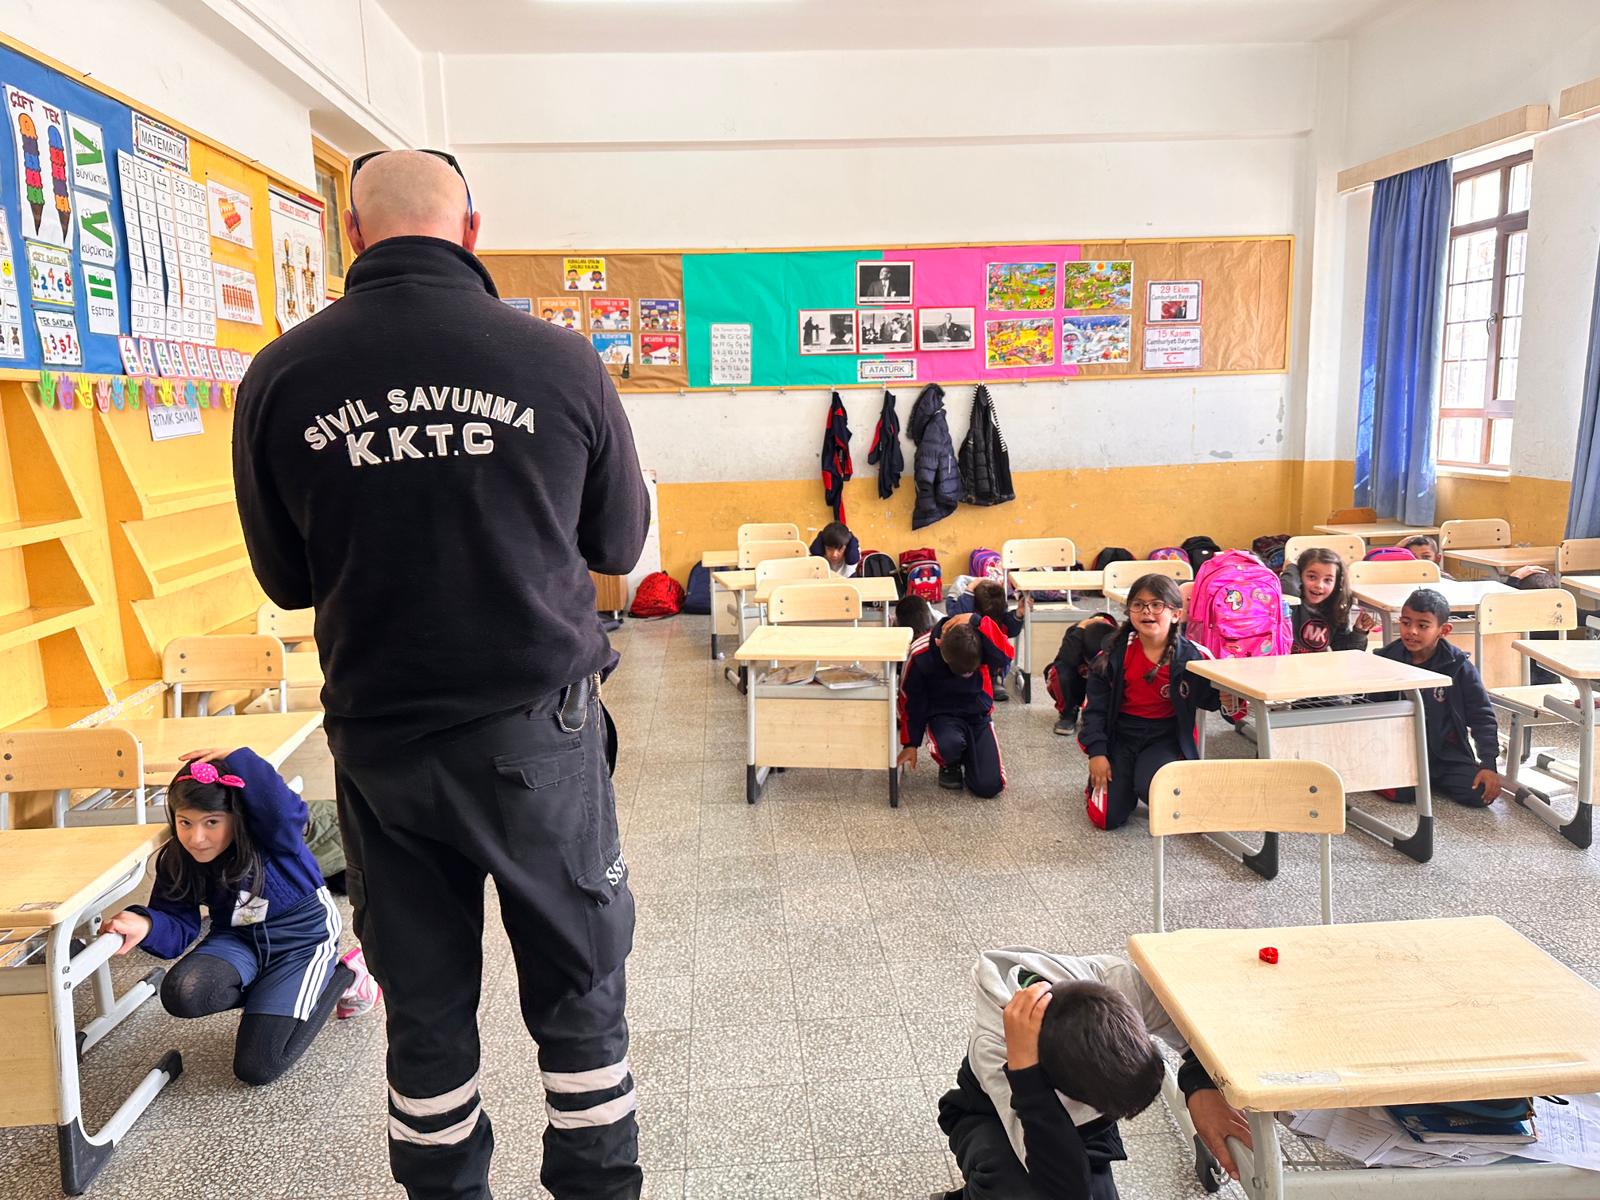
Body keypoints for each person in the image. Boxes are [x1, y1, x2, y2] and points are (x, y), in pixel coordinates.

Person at [233, 150, 650, 1200]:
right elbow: (618, 544)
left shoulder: (280, 375)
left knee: (422, 1007)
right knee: (579, 988)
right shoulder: (559, 361)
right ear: (472, 229)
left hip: (383, 745)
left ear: (351, 233)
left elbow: (284, 580)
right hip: (535, 737)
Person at [100, 750, 358, 1087]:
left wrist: (238, 756)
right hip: (238, 938)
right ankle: (274, 995)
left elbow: (283, 810)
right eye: (185, 822)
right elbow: (177, 925)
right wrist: (147, 924)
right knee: (181, 992)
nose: (196, 838)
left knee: (258, 1066)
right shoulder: (178, 859)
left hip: (302, 941)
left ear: (236, 817)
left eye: (212, 822)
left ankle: (346, 974)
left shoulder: (273, 835)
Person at [934, 948, 1251, 1200]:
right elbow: (1063, 1188)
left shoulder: (1116, 981)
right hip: (993, 1112)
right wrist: (1026, 1073)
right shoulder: (996, 1049)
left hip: (1080, 1121)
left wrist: (1199, 1084)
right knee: (1027, 1193)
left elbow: (1195, 1030)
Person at [1080, 575, 1220, 830]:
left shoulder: (1193, 657)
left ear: (1176, 614)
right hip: (1121, 736)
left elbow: (1210, 700)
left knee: (1156, 793)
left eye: (1157, 605)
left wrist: (1228, 695)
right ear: (1129, 611)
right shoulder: (1112, 655)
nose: (1147, 611)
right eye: (1138, 604)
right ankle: (1118, 783)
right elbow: (1094, 709)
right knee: (1106, 819)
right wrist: (1097, 752)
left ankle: (1143, 777)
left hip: (1165, 737)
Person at [1374, 589, 1504, 807]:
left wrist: (1488, 764)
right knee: (1403, 795)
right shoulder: (1385, 660)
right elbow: (1372, 715)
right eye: (1405, 623)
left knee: (1479, 793)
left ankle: (1429, 779)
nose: (1411, 631)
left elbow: (1482, 715)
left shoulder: (1459, 666)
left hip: (1447, 755)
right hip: (1402, 752)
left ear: (1443, 630)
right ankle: (1418, 780)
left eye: (1423, 626)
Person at [898, 614, 1014, 797]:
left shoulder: (980, 637)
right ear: (940, 648)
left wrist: (978, 620)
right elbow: (911, 700)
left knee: (989, 786)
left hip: (977, 714)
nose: (967, 675)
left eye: (971, 671)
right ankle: (950, 763)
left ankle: (971, 755)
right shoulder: (921, 652)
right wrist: (910, 743)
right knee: (948, 744)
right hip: (942, 715)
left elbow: (1006, 656)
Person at [1290, 547, 1378, 653]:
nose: (1319, 585)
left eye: (1328, 580)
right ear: (1299, 576)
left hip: (1319, 662)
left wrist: (1359, 631)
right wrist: (1291, 567)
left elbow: (1345, 651)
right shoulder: (1288, 604)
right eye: (1312, 577)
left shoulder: (1336, 608)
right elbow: (1287, 588)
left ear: (1336, 583)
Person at [1045, 613, 1119, 737]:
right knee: (1060, 670)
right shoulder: (1076, 633)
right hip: (1077, 681)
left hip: (1101, 685)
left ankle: (1098, 713)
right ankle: (1068, 712)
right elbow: (1066, 659)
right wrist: (1080, 629)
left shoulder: (1118, 638)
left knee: (1119, 675)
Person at [971, 580, 1024, 702]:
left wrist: (1018, 614)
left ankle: (995, 679)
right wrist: (969, 589)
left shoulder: (1002, 619)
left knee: (999, 650)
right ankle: (980, 679)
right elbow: (955, 610)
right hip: (974, 657)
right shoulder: (972, 617)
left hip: (995, 665)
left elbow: (1011, 629)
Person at [1510, 567, 1563, 685]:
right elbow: (1592, 615)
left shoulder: (1513, 612)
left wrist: (1513, 578)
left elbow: (1501, 601)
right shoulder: (1561, 610)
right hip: (1552, 678)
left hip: (1518, 676)